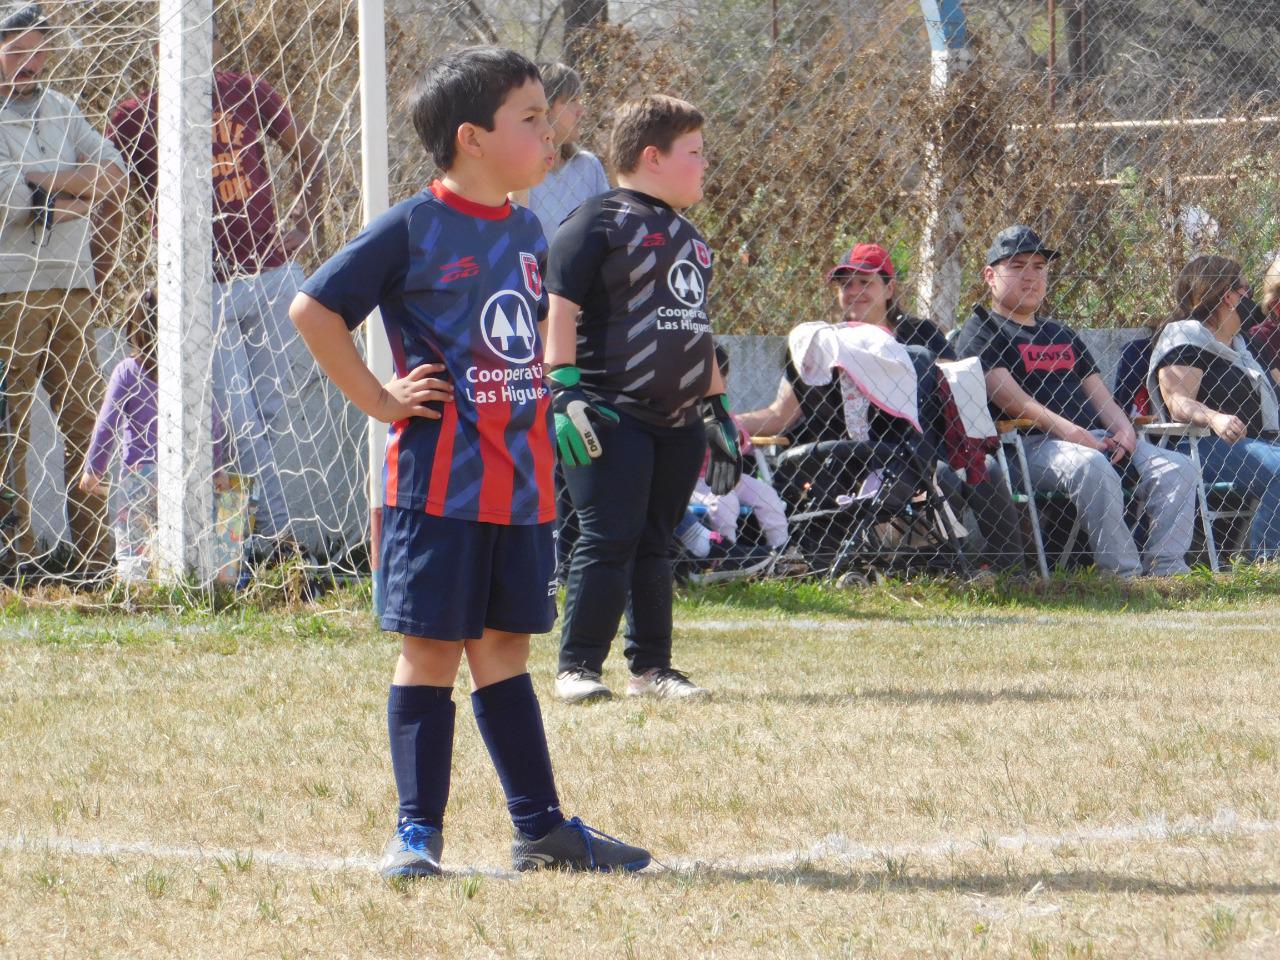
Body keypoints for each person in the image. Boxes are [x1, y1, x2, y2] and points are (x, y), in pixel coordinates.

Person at [289, 47, 649, 878]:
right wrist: (380, 401)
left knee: (504, 652)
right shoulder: (414, 226)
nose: (551, 131)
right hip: (438, 486)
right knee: (429, 652)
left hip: (520, 486)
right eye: (530, 118)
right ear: (472, 139)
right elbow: (314, 309)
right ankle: (417, 833)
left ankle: (541, 830)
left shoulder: (529, 229)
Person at [106, 12, 328, 558]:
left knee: (277, 414)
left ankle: (270, 540)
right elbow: (123, 190)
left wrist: (304, 224)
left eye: (209, 40)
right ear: (161, 50)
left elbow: (309, 151)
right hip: (206, 288)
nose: (198, 51)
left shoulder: (248, 90)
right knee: (237, 421)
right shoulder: (134, 115)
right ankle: (266, 544)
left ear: (219, 45)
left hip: (273, 274)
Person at [546, 94, 741, 705]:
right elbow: (560, 307)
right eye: (696, 154)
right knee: (609, 537)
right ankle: (577, 666)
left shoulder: (691, 238)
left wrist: (716, 409)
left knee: (657, 542)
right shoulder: (596, 221)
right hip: (607, 410)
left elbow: (694, 323)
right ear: (652, 157)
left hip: (678, 421)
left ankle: (652, 670)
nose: (705, 165)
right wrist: (564, 392)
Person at [736, 242, 1023, 570]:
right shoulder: (823, 344)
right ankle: (926, 570)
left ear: (889, 288)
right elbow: (780, 415)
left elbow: (952, 390)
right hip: (846, 461)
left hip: (916, 451)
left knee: (984, 469)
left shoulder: (919, 334)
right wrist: (729, 420)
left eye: (864, 282)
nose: (854, 291)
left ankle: (1009, 572)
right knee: (942, 478)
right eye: (845, 284)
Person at [956, 225, 1196, 578]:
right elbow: (1015, 401)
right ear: (990, 275)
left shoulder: (1062, 333)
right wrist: (1073, 433)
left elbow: (1100, 396)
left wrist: (1124, 430)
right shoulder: (982, 330)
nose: (1030, 276)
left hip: (1093, 435)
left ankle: (1167, 569)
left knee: (1178, 469)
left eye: (1039, 267)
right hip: (1029, 446)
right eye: (1018, 266)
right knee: (1090, 467)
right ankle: (1122, 576)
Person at [0, 1, 127, 578]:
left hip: (75, 290)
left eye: (34, 50)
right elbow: (12, 207)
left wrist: (44, 183)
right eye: (13, 50)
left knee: (88, 425)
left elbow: (115, 176)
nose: (25, 61)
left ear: (47, 52)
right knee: (11, 432)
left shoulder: (64, 109)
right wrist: (72, 193)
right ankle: (16, 561)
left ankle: (97, 562)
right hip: (11, 296)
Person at [78, 289, 229, 581]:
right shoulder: (189, 371)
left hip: (138, 477)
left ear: (130, 329)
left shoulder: (126, 371)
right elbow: (211, 420)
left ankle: (133, 593)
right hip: (185, 474)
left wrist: (93, 470)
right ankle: (185, 589)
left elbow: (106, 423)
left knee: (133, 549)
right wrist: (217, 468)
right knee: (188, 549)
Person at [1148, 255, 1280, 560]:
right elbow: (1177, 401)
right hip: (1202, 445)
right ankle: (1265, 564)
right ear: (1227, 296)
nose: (1252, 298)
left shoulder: (1245, 345)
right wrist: (1214, 417)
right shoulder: (1186, 337)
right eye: (1245, 289)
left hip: (1260, 445)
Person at [527, 62, 609, 243]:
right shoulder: (521, 173)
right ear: (545, 107)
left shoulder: (588, 165)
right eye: (572, 100)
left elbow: (608, 232)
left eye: (580, 100)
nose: (582, 111)